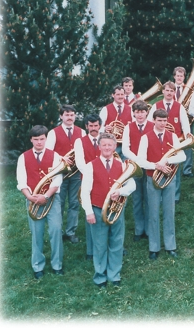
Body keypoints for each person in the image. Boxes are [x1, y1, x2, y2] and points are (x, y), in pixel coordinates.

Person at [80, 133, 136, 287]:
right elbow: (85, 191)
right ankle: (100, 276)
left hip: (116, 210)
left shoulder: (122, 165)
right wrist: (89, 212)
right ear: (99, 147)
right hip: (98, 210)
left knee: (117, 242)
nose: (107, 148)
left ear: (114, 147)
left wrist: (121, 192)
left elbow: (132, 185)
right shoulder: (90, 166)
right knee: (99, 244)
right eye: (104, 145)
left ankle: (114, 274)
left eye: (110, 145)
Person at [137, 109, 187, 259]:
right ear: (154, 120)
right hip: (152, 179)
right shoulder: (146, 138)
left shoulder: (172, 136)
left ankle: (170, 245)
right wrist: (155, 165)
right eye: (160, 120)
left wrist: (167, 161)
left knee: (169, 212)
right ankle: (154, 247)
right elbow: (140, 160)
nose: (162, 123)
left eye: (165, 121)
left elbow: (182, 156)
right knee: (153, 212)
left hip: (169, 179)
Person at [16, 125, 64, 279]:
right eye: (36, 139)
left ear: (46, 139)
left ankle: (57, 264)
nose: (39, 142)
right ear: (31, 140)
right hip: (33, 200)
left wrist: (47, 196)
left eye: (42, 139)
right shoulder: (23, 157)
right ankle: (38, 266)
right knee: (37, 233)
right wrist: (30, 197)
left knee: (56, 230)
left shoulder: (55, 155)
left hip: (52, 198)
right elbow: (21, 180)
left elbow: (58, 179)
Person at [46, 104, 85, 244]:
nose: (69, 117)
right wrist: (61, 157)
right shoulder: (53, 133)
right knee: (59, 203)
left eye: (72, 115)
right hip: (59, 174)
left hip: (75, 173)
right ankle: (59, 230)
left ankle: (71, 232)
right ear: (61, 116)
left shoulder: (82, 132)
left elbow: (84, 152)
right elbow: (48, 152)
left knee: (74, 203)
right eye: (67, 115)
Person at [148, 80, 191, 203]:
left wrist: (185, 138)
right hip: (158, 141)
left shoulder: (179, 106)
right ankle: (160, 191)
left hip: (174, 143)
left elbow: (185, 125)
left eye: (172, 91)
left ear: (174, 92)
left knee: (174, 169)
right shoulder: (156, 105)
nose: (169, 93)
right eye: (167, 90)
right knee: (160, 165)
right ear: (163, 91)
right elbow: (150, 124)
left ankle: (175, 195)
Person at [121, 100, 154, 241]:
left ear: (147, 112)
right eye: (137, 112)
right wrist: (137, 160)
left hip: (149, 167)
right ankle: (139, 230)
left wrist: (145, 162)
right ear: (133, 113)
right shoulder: (128, 127)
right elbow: (125, 148)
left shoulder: (153, 126)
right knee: (137, 198)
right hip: (134, 167)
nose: (140, 115)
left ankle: (149, 229)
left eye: (142, 112)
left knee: (149, 198)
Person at [74, 114, 103, 260]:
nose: (93, 128)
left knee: (109, 211)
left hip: (106, 181)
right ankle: (90, 250)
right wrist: (93, 173)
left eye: (96, 125)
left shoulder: (105, 139)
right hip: (88, 179)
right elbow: (79, 162)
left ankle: (110, 245)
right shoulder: (80, 142)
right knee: (90, 211)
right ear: (86, 126)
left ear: (100, 126)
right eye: (90, 126)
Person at [170, 66, 194, 179]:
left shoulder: (188, 89)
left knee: (187, 143)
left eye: (182, 76)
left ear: (184, 77)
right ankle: (173, 166)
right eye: (178, 75)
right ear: (174, 76)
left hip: (187, 120)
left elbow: (192, 105)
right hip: (171, 121)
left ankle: (187, 169)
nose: (179, 78)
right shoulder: (169, 88)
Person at [99, 85, 133, 158]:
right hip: (110, 147)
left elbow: (135, 127)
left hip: (126, 146)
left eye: (122, 94)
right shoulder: (105, 109)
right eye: (118, 94)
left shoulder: (131, 109)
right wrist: (104, 129)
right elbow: (98, 127)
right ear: (113, 95)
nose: (120, 97)